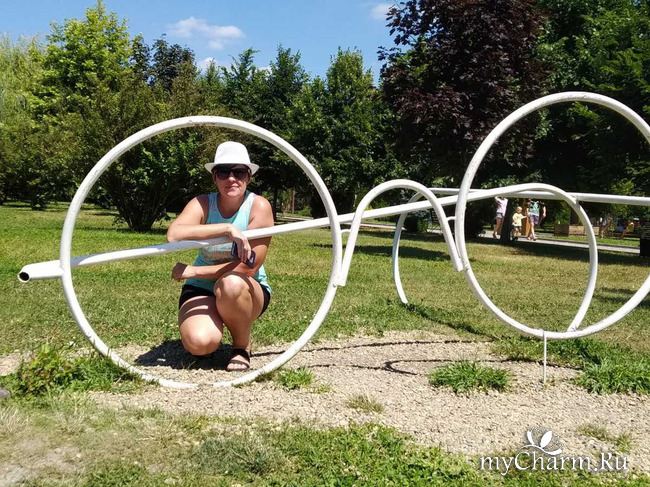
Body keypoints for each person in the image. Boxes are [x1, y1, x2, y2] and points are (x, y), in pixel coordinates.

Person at [166, 141, 274, 371]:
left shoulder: (259, 206)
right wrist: (227, 229)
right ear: (214, 177)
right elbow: (174, 234)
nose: (231, 178)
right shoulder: (203, 203)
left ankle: (241, 347)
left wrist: (193, 271)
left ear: (249, 177)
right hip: (202, 288)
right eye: (223, 172)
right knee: (199, 343)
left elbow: (248, 268)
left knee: (230, 283)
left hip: (245, 287)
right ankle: (212, 330)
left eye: (239, 172)